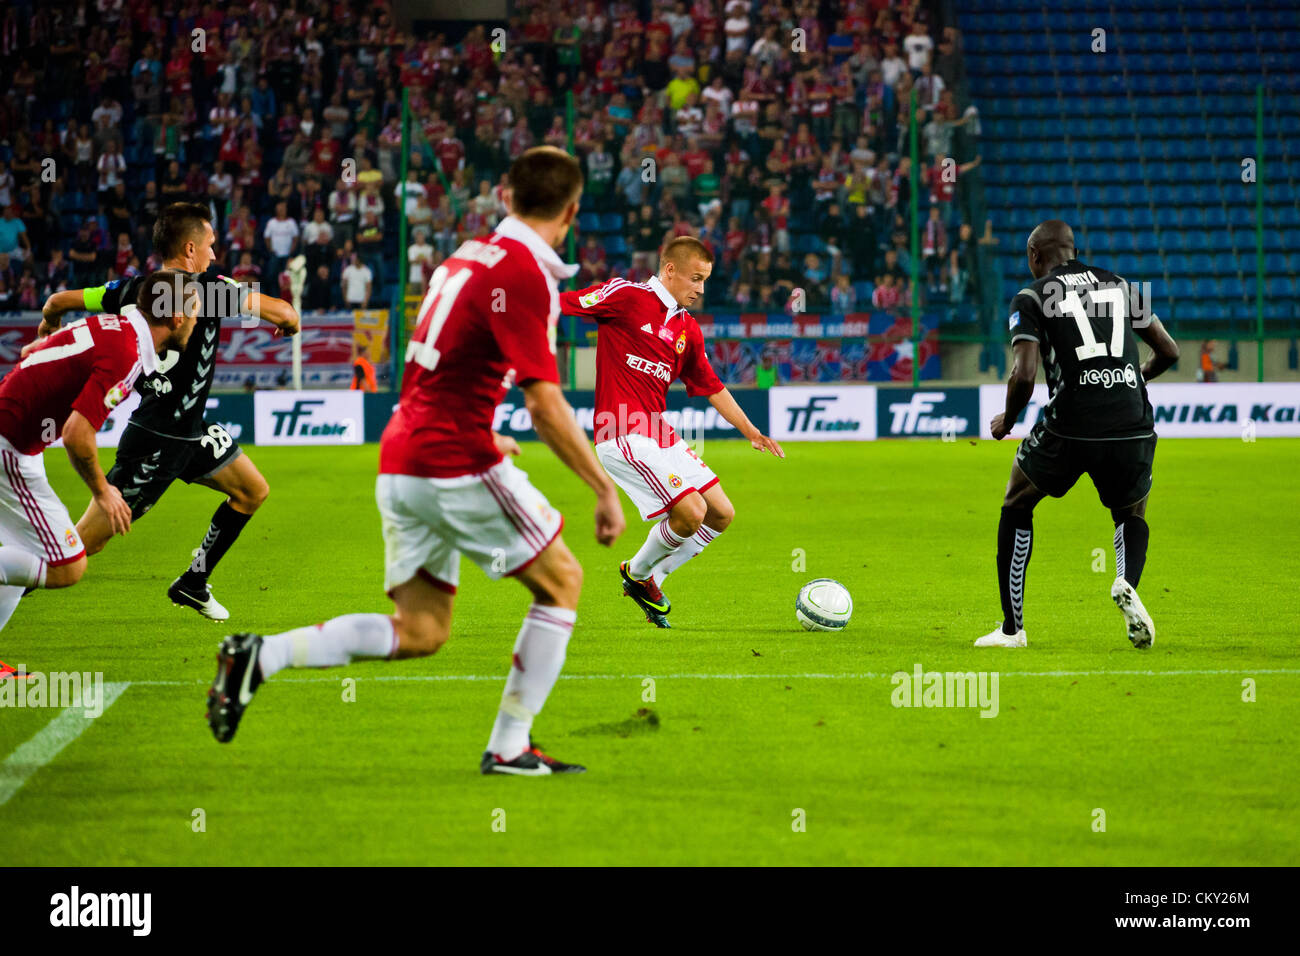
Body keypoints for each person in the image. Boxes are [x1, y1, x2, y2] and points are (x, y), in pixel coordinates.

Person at [206, 147, 626, 777]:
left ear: (504, 196)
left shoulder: (464, 257)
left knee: (423, 630)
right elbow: (544, 404)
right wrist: (602, 487)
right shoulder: (524, 273)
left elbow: (443, 367)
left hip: (404, 455)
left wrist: (479, 429)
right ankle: (510, 746)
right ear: (572, 210)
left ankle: (260, 657)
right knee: (564, 582)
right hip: (451, 460)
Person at [33, 203, 301, 621]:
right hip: (158, 439)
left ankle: (193, 582)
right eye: (211, 246)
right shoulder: (210, 290)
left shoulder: (132, 288)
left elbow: (60, 299)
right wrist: (290, 323)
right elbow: (285, 313)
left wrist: (49, 318)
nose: (215, 255)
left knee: (251, 491)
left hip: (187, 429)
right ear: (190, 249)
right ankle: (15, 574)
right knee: (81, 546)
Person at [560, 236, 785, 629]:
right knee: (691, 512)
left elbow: (711, 385)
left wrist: (752, 431)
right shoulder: (627, 296)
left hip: (659, 433)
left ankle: (654, 579)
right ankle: (637, 572)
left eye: (705, 281)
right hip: (621, 433)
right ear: (669, 270)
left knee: (720, 514)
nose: (700, 289)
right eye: (695, 279)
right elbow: (566, 303)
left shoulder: (687, 329)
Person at [979, 220, 1180, 649]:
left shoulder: (1031, 296)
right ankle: (1126, 582)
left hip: (1071, 423)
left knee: (1017, 501)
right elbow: (1169, 350)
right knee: (1131, 512)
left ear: (1035, 255)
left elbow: (1025, 374)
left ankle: (1012, 630)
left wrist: (1008, 419)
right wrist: (1135, 380)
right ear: (1071, 249)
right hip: (1131, 423)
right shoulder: (1121, 285)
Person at [0, 273, 198, 633]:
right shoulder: (128, 352)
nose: (196, 322)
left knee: (26, 554)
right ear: (176, 318)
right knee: (67, 565)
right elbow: (77, 435)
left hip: (18, 441)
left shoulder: (115, 327)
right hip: (9, 445)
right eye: (195, 312)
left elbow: (34, 351)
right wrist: (103, 492)